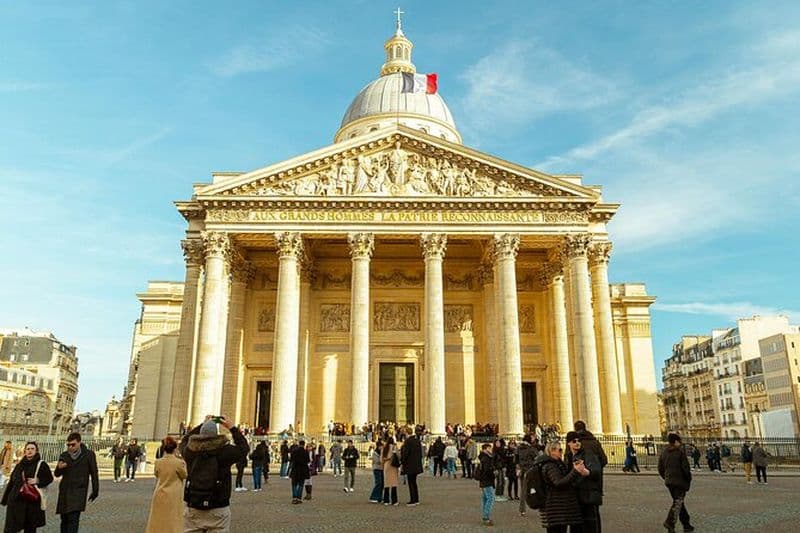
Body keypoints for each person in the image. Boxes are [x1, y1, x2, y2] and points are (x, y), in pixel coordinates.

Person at [179, 415, 249, 533]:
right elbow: (244, 448)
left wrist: (202, 425)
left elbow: (185, 440)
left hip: (194, 505)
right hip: (218, 506)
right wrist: (231, 427)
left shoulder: (190, 452)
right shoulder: (225, 452)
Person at [535, 440, 588, 533]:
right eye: (559, 450)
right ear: (552, 451)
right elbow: (559, 482)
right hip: (556, 508)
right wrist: (575, 471)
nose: (561, 452)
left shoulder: (557, 464)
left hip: (559, 508)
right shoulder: (550, 466)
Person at [1, 441, 53, 533]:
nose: (30, 451)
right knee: (11, 527)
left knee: (29, 528)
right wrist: (6, 499)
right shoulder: (19, 465)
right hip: (16, 500)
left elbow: (49, 478)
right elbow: (12, 482)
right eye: (28, 449)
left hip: (31, 501)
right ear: (25, 451)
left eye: (32, 449)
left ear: (36, 451)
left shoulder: (41, 464)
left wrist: (38, 481)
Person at [54, 432, 99, 533]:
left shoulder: (88, 455)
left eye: (73, 444)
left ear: (79, 443)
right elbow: (57, 474)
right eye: (68, 445)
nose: (70, 447)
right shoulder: (64, 455)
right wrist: (59, 468)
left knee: (73, 519)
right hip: (65, 492)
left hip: (78, 491)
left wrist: (95, 490)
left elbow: (94, 473)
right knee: (64, 520)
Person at [144, 436, 187, 533]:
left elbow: (156, 474)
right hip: (173, 494)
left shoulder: (158, 462)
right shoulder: (179, 463)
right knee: (173, 520)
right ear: (175, 448)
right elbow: (184, 475)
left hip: (160, 492)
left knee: (158, 520)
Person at [566, 430, 602, 533]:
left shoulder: (588, 454)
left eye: (579, 440)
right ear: (568, 443)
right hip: (575, 497)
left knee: (590, 525)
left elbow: (597, 471)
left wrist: (588, 472)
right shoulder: (568, 457)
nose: (577, 443)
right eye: (574, 441)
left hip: (588, 496)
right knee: (576, 526)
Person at [658, 433, 694, 533]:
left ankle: (686, 525)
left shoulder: (664, 452)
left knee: (679, 503)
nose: (681, 443)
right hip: (679, 482)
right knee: (677, 503)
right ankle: (670, 523)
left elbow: (660, 468)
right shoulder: (680, 453)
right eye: (679, 441)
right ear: (676, 442)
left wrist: (666, 477)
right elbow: (686, 469)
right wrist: (688, 480)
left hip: (669, 482)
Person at [516, 433, 539, 516]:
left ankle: (522, 509)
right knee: (535, 488)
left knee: (523, 490)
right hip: (530, 470)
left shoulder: (518, 448)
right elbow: (537, 458)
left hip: (522, 470)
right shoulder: (531, 449)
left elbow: (516, 459)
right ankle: (538, 505)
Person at [400, 428, 423, 506]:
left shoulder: (408, 442)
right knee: (414, 482)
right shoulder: (417, 441)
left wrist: (402, 462)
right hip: (416, 465)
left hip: (410, 465)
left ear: (406, 433)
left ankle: (413, 500)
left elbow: (405, 454)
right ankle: (416, 499)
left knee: (411, 483)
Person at [477, 442, 496, 527]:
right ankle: (486, 517)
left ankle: (485, 515)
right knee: (490, 498)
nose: (491, 450)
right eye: (489, 448)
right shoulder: (487, 458)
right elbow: (487, 471)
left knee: (485, 499)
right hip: (487, 481)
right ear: (485, 449)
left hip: (483, 481)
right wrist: (493, 473)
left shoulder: (483, 458)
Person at [288, 439, 309, 504]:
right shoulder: (306, 452)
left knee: (294, 484)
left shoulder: (294, 451)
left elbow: (291, 460)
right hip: (302, 470)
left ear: (299, 444)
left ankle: (294, 498)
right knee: (300, 484)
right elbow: (308, 461)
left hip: (295, 469)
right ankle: (299, 498)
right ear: (304, 445)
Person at [382, 438, 400, 505]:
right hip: (393, 466)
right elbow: (398, 456)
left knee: (387, 484)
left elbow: (382, 458)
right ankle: (394, 500)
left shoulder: (385, 448)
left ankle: (386, 500)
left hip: (387, 465)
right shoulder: (394, 447)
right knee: (394, 484)